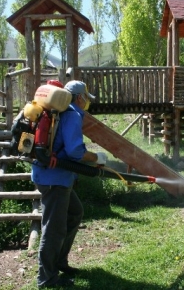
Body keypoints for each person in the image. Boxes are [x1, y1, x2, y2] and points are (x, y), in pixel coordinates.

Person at [32, 80, 107, 288]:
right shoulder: (72, 114)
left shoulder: (59, 112)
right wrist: (96, 158)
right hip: (55, 179)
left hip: (49, 175)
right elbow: (75, 151)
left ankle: (59, 262)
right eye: (86, 98)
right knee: (53, 229)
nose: (86, 102)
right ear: (79, 97)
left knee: (75, 213)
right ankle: (47, 279)